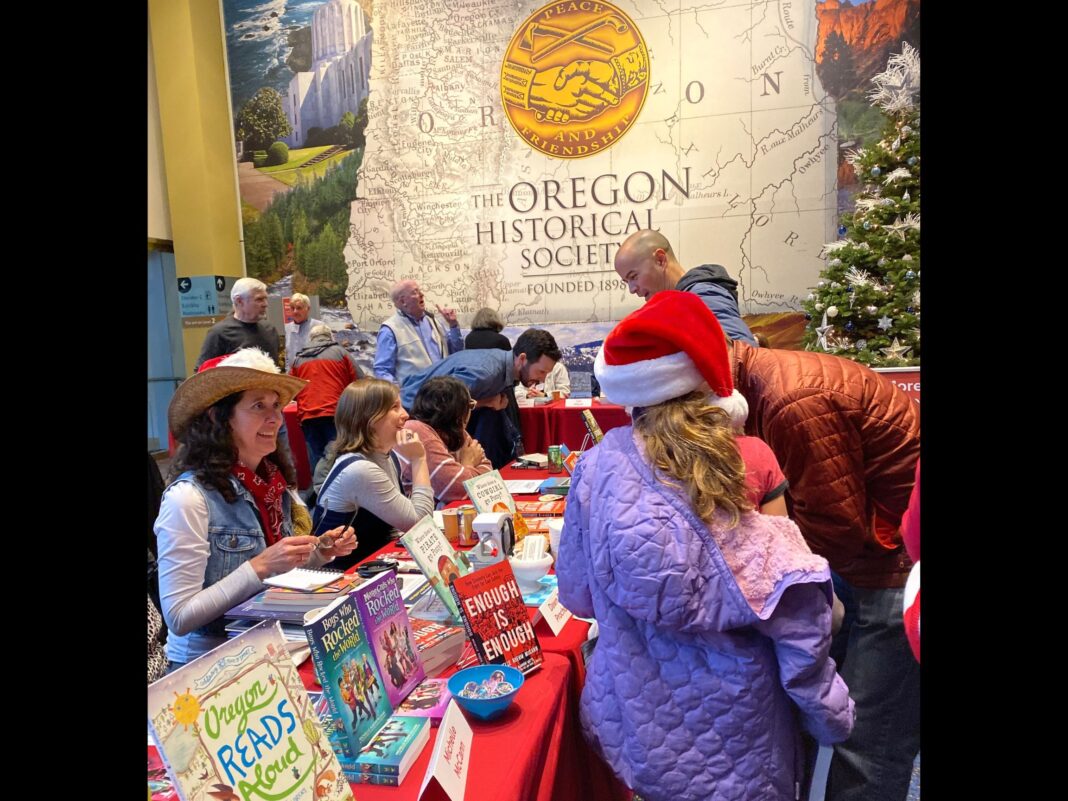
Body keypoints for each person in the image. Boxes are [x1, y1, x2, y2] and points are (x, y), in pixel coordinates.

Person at [558, 293, 854, 801]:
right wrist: (832, 713)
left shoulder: (595, 469)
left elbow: (578, 595)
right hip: (738, 734)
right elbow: (803, 612)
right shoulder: (736, 474)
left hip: (641, 723)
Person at [728, 330, 920, 801]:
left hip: (890, 565)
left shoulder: (791, 401)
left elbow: (838, 526)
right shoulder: (763, 382)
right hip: (871, 553)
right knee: (833, 708)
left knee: (869, 736)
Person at [155, 348, 357, 668]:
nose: (275, 418)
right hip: (205, 669)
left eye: (276, 405)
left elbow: (280, 576)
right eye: (258, 406)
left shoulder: (274, 483)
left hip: (269, 652)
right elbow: (179, 616)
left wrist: (320, 553)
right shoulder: (188, 499)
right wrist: (260, 566)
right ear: (217, 417)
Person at [314, 378, 436, 569]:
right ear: (369, 419)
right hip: (338, 582)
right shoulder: (359, 470)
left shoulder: (387, 456)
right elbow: (420, 523)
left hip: (371, 571)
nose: (405, 415)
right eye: (394, 407)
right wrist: (418, 459)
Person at [400, 328, 561, 468]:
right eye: (541, 372)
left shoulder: (502, 367)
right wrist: (488, 402)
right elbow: (443, 405)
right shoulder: (485, 373)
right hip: (413, 414)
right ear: (522, 359)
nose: (543, 380)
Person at [613, 228, 757, 346]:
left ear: (660, 260)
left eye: (633, 277)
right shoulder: (684, 302)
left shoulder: (703, 296)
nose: (632, 289)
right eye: (627, 282)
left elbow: (742, 358)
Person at [397, 377, 492, 506]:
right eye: (470, 406)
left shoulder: (457, 430)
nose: (405, 414)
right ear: (457, 410)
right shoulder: (416, 430)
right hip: (427, 520)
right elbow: (456, 490)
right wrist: (468, 464)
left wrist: (463, 473)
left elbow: (489, 479)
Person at [289, 323, 362, 476]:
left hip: (307, 416)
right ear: (330, 336)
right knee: (338, 455)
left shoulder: (298, 359)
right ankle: (335, 493)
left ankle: (318, 495)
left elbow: (291, 390)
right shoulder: (341, 353)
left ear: (311, 339)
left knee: (316, 456)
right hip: (335, 413)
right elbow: (359, 382)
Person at [373, 279, 463, 386]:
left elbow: (456, 352)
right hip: (414, 398)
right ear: (403, 301)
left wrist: (453, 325)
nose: (422, 295)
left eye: (419, 291)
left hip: (444, 392)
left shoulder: (434, 321)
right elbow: (382, 370)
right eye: (415, 292)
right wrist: (399, 394)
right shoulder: (390, 330)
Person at [195, 277, 281, 369]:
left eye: (265, 299)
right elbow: (202, 373)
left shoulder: (270, 330)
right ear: (239, 301)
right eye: (259, 299)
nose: (265, 304)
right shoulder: (219, 333)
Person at [284, 292, 324, 371]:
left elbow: (328, 354)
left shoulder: (319, 326)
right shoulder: (287, 328)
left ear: (308, 309)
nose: (295, 311)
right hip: (293, 377)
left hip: (312, 374)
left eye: (299, 308)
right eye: (292, 308)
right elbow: (288, 356)